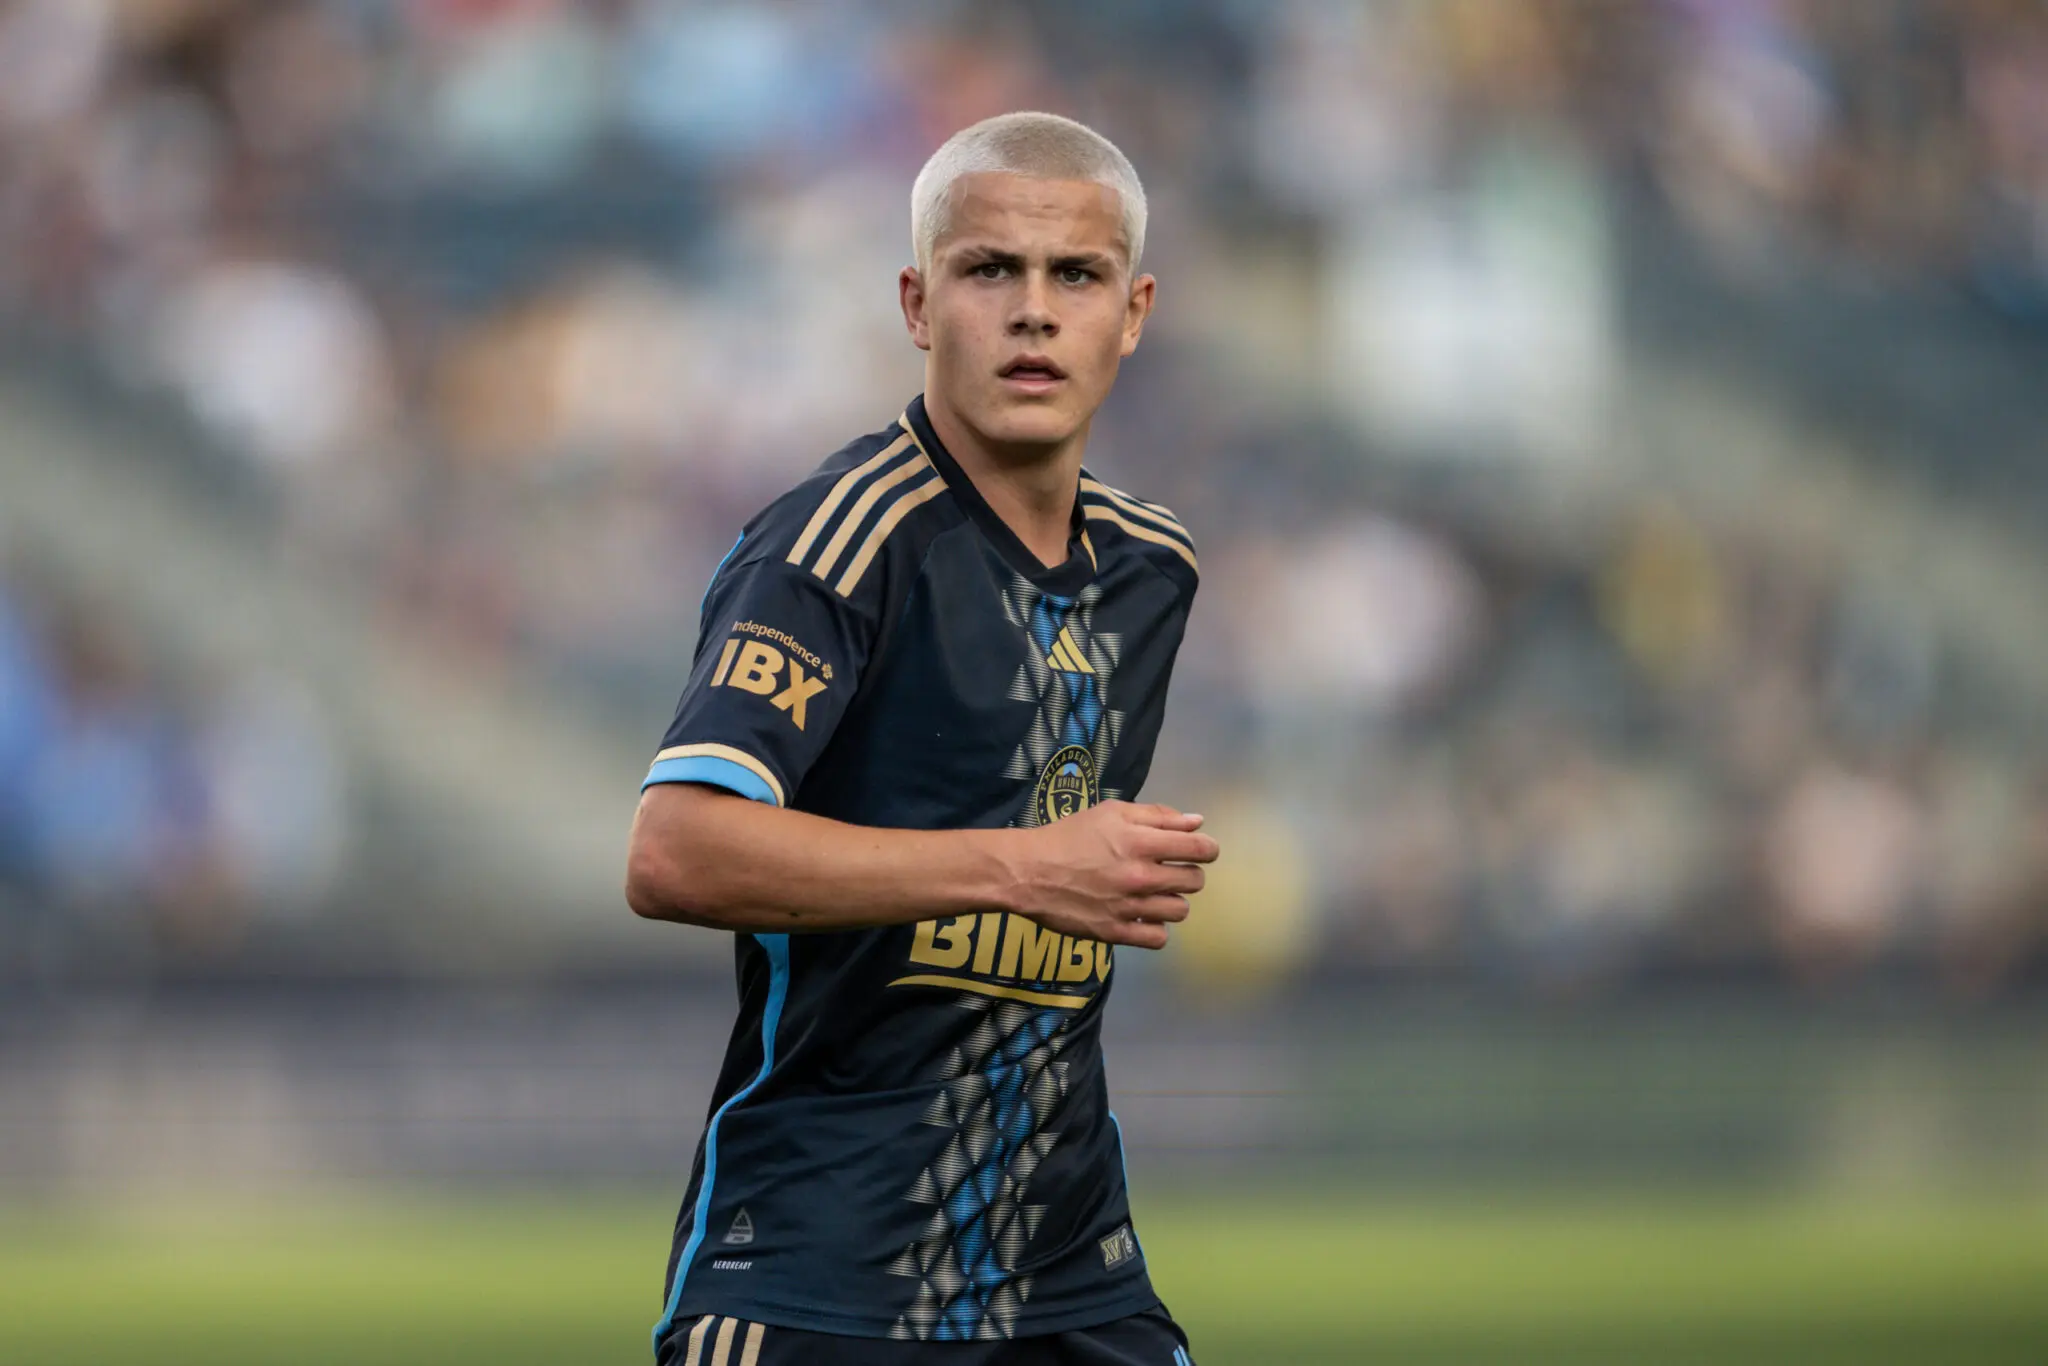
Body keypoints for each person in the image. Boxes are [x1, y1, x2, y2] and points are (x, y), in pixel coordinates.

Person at [625, 111, 1215, 1366]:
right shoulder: (834, 546)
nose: (1033, 312)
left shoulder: (1151, 567)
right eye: (988, 269)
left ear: (1133, 313)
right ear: (915, 302)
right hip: (813, 1278)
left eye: (1076, 275)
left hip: (1070, 1281)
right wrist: (1021, 868)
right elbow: (674, 850)